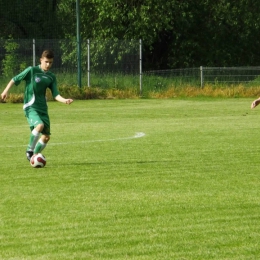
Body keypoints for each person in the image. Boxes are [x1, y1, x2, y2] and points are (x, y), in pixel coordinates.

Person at [1, 50, 73, 161]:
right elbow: (15, 79)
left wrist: (64, 100)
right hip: (30, 106)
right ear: (41, 60)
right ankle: (30, 151)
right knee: (39, 126)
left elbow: (56, 94)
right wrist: (5, 91)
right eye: (46, 62)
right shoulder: (31, 71)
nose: (48, 65)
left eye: (51, 62)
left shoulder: (51, 77)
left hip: (43, 109)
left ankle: (34, 156)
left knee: (46, 137)